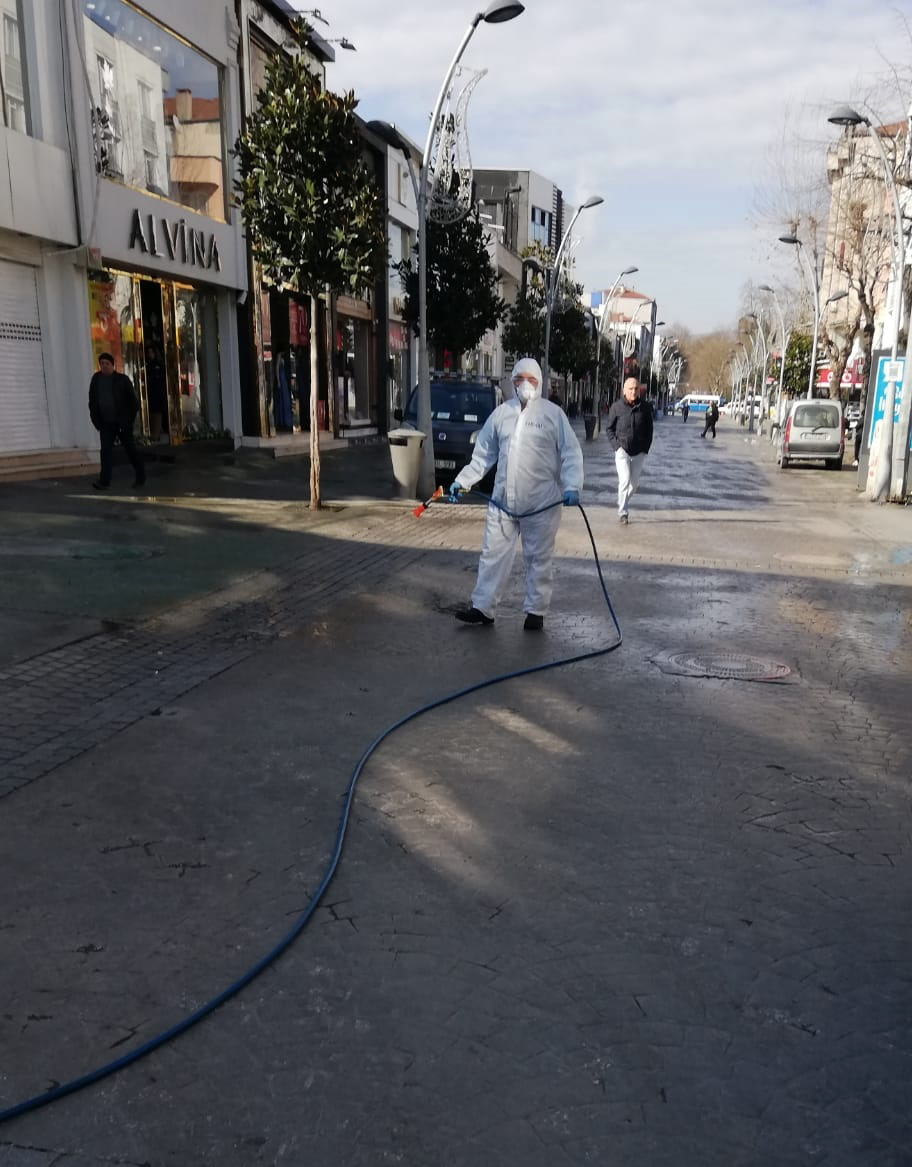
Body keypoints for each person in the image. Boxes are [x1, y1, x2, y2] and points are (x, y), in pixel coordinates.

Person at [449, 356, 583, 632]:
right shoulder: (501, 414)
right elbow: (483, 455)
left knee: (539, 558)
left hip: (541, 504)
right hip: (502, 502)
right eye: (520, 379)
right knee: (492, 555)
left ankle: (535, 611)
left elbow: (570, 452)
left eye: (531, 380)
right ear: (512, 382)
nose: (525, 385)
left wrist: (572, 486)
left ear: (540, 384)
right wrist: (463, 481)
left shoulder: (552, 414)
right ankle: (483, 608)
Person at [88, 352, 145, 490]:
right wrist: (96, 420)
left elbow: (133, 403)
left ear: (112, 365)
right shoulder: (96, 379)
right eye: (102, 364)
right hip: (106, 423)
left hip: (122, 423)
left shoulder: (122, 380)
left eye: (107, 364)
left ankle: (140, 475)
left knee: (130, 449)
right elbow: (92, 400)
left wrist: (127, 421)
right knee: (105, 451)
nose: (104, 366)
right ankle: (104, 481)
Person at [605, 376, 653, 524]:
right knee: (624, 480)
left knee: (634, 484)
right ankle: (623, 512)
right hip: (622, 450)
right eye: (630, 389)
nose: (633, 391)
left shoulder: (645, 408)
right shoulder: (616, 407)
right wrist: (616, 447)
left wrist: (645, 449)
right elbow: (609, 429)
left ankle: (622, 500)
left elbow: (649, 430)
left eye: (636, 389)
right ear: (624, 391)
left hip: (639, 452)